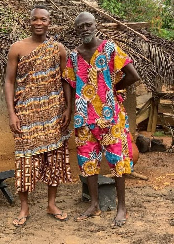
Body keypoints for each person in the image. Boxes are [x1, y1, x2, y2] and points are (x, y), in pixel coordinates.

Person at [62, 12, 140, 227]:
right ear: (76, 30)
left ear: (95, 26)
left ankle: (121, 207)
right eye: (81, 27)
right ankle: (94, 203)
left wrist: (112, 90)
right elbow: (68, 82)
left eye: (89, 25)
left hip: (110, 117)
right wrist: (70, 108)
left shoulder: (109, 48)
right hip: (83, 117)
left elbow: (133, 76)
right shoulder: (74, 56)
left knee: (117, 161)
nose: (85, 29)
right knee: (88, 162)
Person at [5, 5, 72, 226]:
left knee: (54, 159)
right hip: (25, 113)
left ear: (49, 22)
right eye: (35, 19)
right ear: (30, 22)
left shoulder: (58, 49)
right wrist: (12, 114)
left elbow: (65, 80)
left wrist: (68, 109)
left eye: (43, 19)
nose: (39, 23)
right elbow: (9, 81)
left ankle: (51, 204)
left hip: (53, 113)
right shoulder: (17, 48)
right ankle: (24, 208)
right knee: (25, 159)